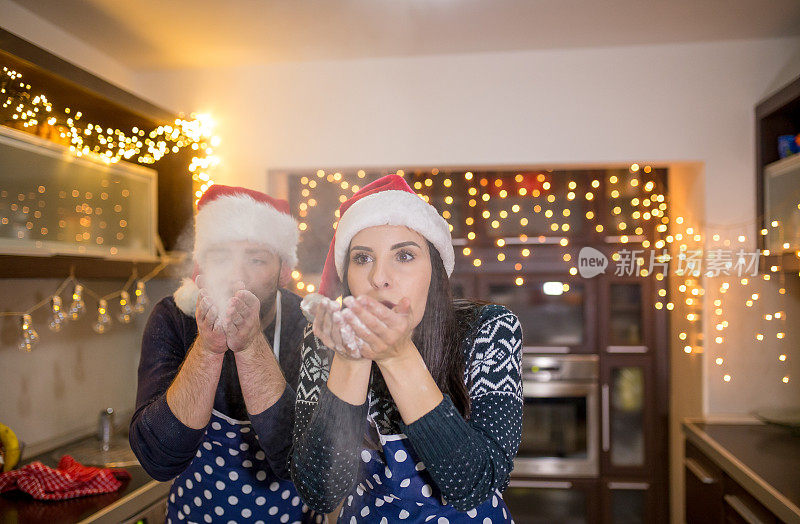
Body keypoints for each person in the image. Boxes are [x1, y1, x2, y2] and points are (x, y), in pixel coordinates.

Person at [291, 174, 523, 522]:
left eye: (404, 255)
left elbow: (474, 486)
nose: (379, 278)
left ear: (435, 270)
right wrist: (351, 357)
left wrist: (396, 356)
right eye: (363, 258)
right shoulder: (324, 338)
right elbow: (320, 492)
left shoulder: (488, 329)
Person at [130, 185, 317, 523]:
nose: (235, 275)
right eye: (220, 257)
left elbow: (304, 463)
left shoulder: (308, 323)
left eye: (256, 259)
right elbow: (158, 459)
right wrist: (207, 347)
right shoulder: (173, 318)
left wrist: (250, 346)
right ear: (200, 265)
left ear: (285, 270)